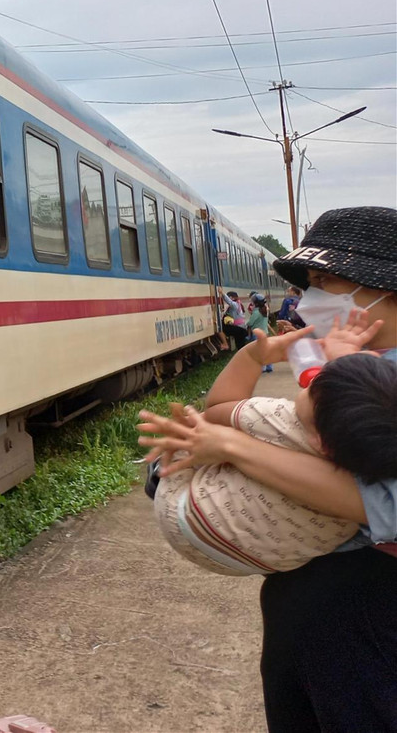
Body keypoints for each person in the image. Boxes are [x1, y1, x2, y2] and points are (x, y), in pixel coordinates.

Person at [139, 206, 397, 733]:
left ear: (385, 290)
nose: (312, 298)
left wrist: (234, 447)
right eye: (310, 284)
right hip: (305, 597)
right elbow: (229, 414)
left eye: (327, 281)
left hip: (372, 605)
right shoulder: (342, 360)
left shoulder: (360, 375)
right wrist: (242, 394)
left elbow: (387, 506)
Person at [149, 323, 395, 575]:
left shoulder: (279, 419)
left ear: (321, 441)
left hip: (185, 523)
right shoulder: (375, 465)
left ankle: (168, 463)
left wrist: (253, 356)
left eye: (313, 385)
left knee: (192, 425)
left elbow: (218, 407)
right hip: (264, 562)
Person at [246, 293, 274, 372]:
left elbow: (251, 323)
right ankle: (269, 367)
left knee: (259, 352)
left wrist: (247, 324)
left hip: (257, 334)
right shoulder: (265, 310)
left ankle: (262, 367)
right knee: (266, 350)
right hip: (265, 332)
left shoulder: (256, 312)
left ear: (256, 303)